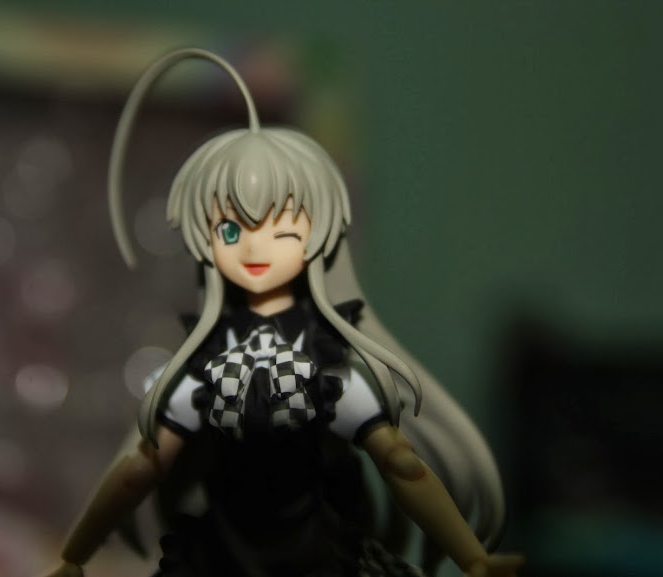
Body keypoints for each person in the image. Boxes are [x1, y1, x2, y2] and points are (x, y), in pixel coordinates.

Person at [42, 48, 523, 577]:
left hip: (314, 554)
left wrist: (471, 557)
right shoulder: (203, 369)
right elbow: (140, 468)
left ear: (317, 234)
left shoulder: (328, 367)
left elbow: (402, 465)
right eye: (230, 230)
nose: (254, 247)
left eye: (283, 229)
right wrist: (74, 556)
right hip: (222, 555)